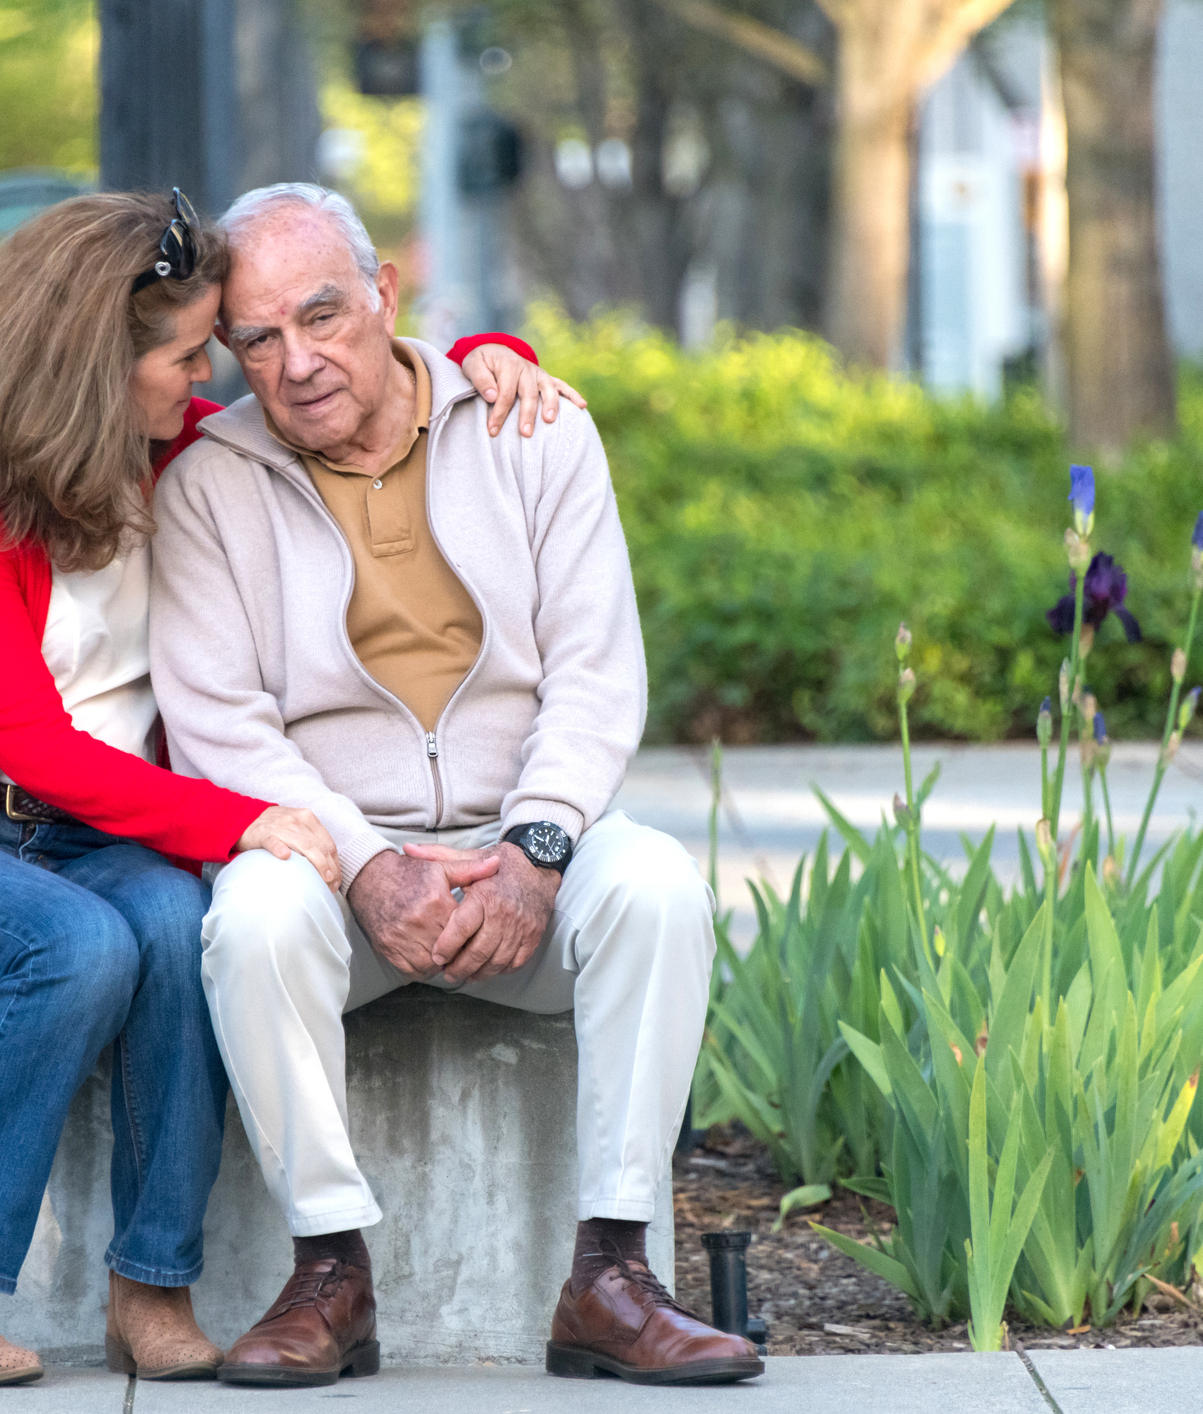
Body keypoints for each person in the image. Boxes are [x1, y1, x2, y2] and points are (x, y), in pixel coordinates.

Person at [0, 189, 573, 1389]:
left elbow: (365, 399)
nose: (208, 382)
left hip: (104, 837)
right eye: (186, 357)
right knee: (77, 947)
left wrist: (498, 362)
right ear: (94, 364)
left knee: (183, 926)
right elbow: (38, 752)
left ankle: (152, 1282)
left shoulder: (173, 458)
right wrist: (249, 818)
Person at [148, 184, 764, 1389]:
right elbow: (219, 724)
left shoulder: (534, 431)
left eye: (322, 315)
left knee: (656, 888)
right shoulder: (210, 485)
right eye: (258, 340)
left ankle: (613, 1271)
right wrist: (364, 858)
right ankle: (331, 1270)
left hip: (522, 836)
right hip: (342, 863)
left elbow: (594, 673)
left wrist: (537, 853)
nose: (299, 361)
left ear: (385, 295)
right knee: (253, 918)